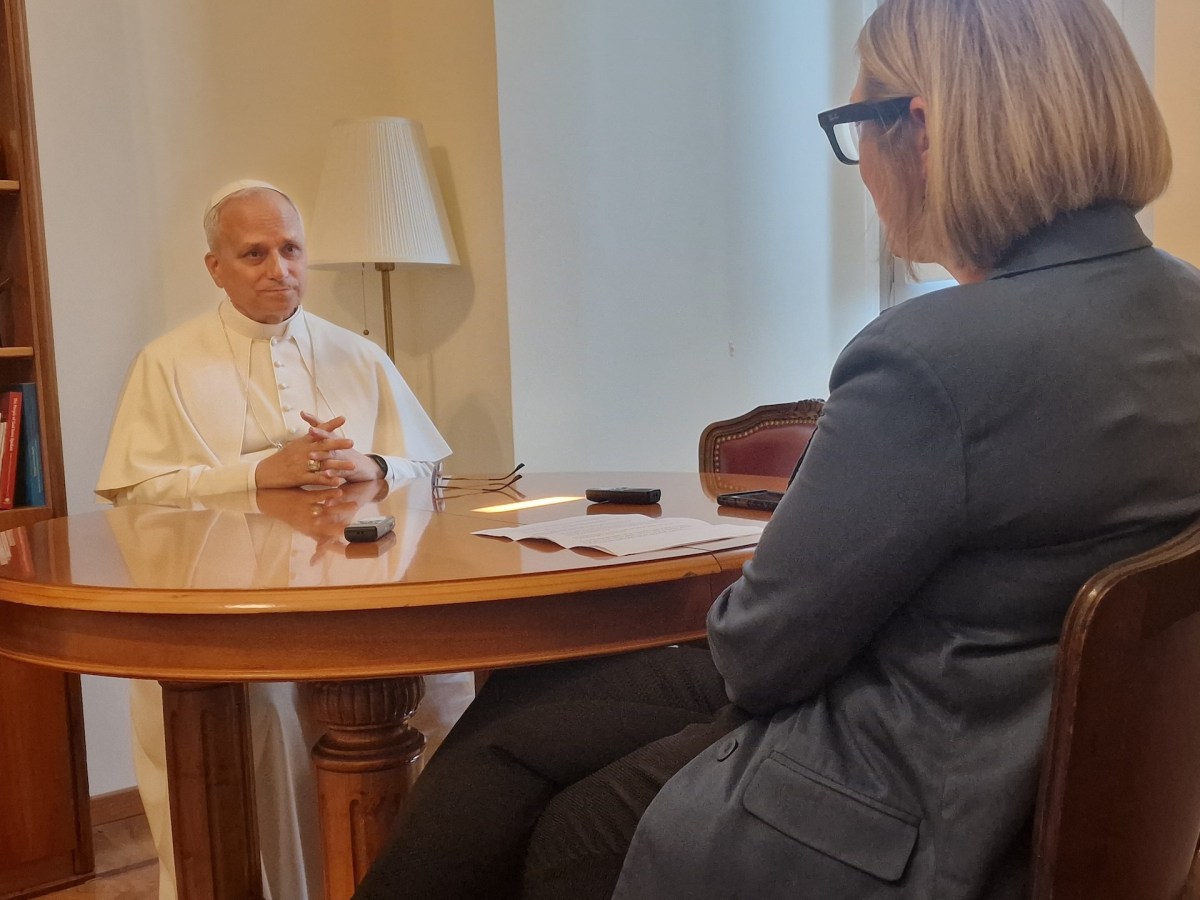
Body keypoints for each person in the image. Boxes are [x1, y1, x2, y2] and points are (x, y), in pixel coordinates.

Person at [353, 1, 1200, 898]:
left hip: (920, 798)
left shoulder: (936, 357)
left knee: (563, 829)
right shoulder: (1180, 310)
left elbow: (764, 656)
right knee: (523, 713)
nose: (860, 170)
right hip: (1042, 760)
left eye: (851, 128)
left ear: (918, 130)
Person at [96, 179, 452, 900]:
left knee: (428, 692)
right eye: (254, 253)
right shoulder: (167, 363)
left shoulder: (358, 354)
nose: (278, 269)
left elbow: (427, 465)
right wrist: (262, 474)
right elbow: (134, 494)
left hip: (348, 611)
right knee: (252, 717)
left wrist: (373, 464)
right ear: (215, 267)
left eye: (290, 249)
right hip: (219, 617)